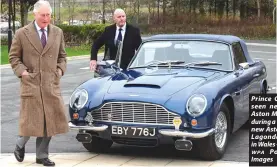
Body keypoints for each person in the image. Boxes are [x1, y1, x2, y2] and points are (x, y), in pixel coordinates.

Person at [9, 0, 68, 166]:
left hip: (51, 83)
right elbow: (14, 57)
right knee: (30, 122)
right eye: (43, 15)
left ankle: (42, 156)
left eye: (48, 14)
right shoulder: (22, 33)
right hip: (31, 83)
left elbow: (62, 56)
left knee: (48, 122)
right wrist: (23, 72)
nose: (46, 18)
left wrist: (59, 71)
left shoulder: (57, 32)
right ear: (34, 14)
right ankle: (20, 145)